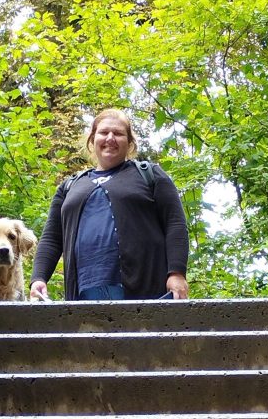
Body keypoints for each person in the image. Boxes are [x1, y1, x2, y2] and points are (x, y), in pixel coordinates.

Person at [29, 108, 189, 301]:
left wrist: (177, 273)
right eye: (104, 132)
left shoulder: (150, 175)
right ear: (92, 139)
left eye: (119, 133)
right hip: (83, 293)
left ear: (129, 142)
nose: (110, 138)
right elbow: (52, 238)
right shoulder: (70, 186)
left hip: (144, 291)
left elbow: (176, 224)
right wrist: (39, 277)